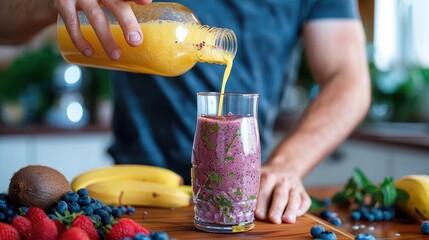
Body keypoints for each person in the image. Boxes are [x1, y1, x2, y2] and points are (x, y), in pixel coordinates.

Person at [0, 0, 370, 224]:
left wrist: (287, 165)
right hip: (131, 196)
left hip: (246, 195)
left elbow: (348, 79)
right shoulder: (180, 23)